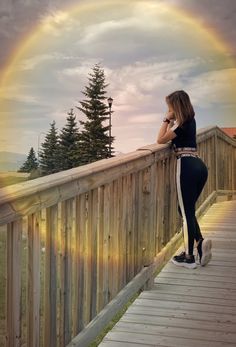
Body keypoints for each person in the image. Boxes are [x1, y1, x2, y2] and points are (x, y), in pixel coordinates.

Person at [157, 90, 212, 269]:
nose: (169, 109)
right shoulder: (190, 121)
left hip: (186, 166)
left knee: (186, 212)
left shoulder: (181, 123)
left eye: (170, 106)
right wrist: (172, 121)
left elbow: (160, 140)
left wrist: (166, 120)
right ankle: (200, 243)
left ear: (176, 106)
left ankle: (189, 257)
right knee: (185, 210)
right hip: (198, 165)